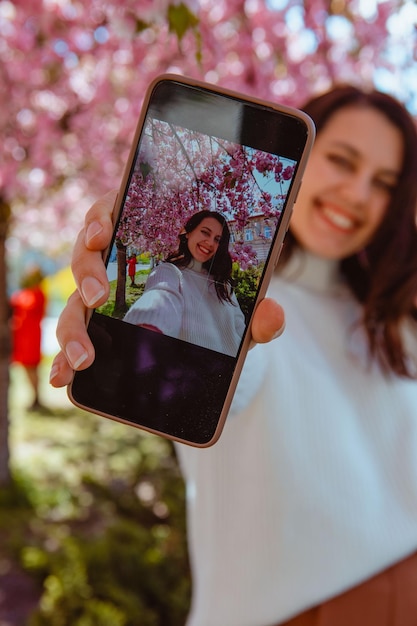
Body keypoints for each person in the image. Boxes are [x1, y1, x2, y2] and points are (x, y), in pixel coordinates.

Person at [50, 84, 417, 626]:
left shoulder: (393, 322)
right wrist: (139, 328)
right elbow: (238, 370)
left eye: (383, 183)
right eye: (342, 160)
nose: (359, 193)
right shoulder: (252, 313)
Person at [124, 210, 246, 357]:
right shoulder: (169, 272)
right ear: (188, 232)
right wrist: (149, 325)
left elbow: (239, 327)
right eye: (205, 232)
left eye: (217, 239)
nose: (210, 243)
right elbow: (161, 294)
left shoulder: (223, 284)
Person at [10, 265, 47, 411]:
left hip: (31, 337)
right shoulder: (25, 292)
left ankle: (36, 398)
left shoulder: (38, 293)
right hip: (22, 336)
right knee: (26, 368)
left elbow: (27, 306)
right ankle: (34, 398)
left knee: (32, 367)